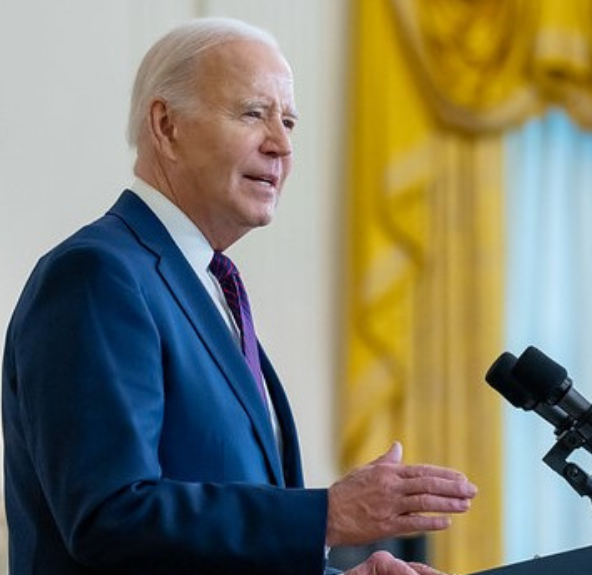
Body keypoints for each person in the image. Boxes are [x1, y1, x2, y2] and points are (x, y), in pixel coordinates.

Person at [2, 17, 477, 575]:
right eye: (253, 113)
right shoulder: (98, 274)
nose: (280, 145)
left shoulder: (210, 284)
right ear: (167, 125)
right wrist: (326, 515)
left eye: (290, 122)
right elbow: (110, 517)